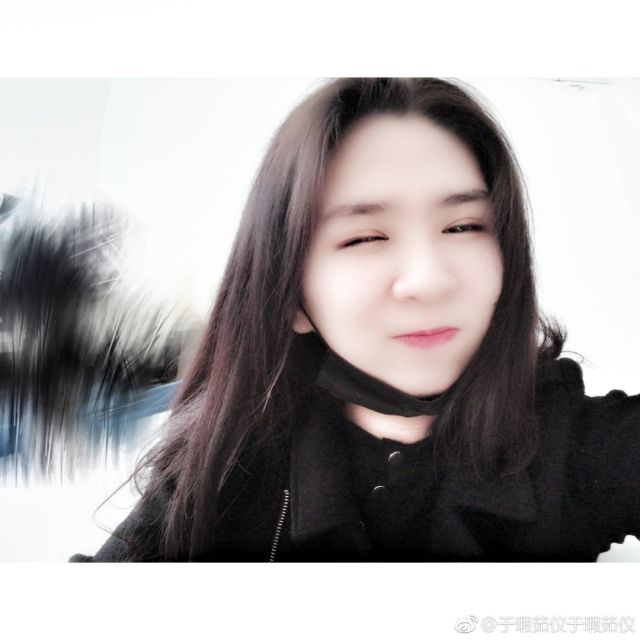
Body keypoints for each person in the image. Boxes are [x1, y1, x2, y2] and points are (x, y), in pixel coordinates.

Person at [70, 78, 640, 562]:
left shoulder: (581, 443)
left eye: (463, 227)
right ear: (291, 297)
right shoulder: (227, 461)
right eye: (365, 237)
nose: (428, 279)